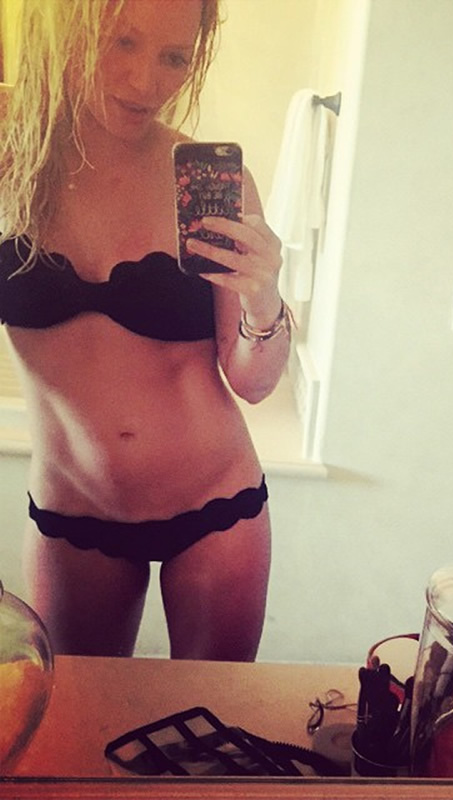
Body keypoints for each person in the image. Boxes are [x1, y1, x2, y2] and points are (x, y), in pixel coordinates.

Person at [0, 0, 288, 661]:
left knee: (212, 718)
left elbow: (253, 382)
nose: (145, 82)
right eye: (121, 43)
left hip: (217, 506)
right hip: (73, 514)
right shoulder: (11, 163)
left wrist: (264, 297)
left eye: (173, 57)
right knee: (79, 717)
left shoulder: (207, 183)